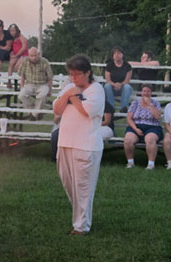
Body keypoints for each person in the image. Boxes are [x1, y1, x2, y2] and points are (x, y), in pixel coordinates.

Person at [53, 54, 105, 235]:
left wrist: (73, 98)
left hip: (86, 146)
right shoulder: (69, 87)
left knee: (83, 188)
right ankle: (81, 217)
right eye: (71, 74)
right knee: (70, 186)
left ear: (88, 73)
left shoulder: (96, 89)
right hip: (65, 143)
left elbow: (86, 111)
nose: (73, 78)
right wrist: (68, 93)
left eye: (77, 74)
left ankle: (81, 227)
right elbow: (56, 110)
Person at [124, 85, 163, 170]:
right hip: (136, 126)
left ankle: (151, 164)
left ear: (151, 93)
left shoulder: (155, 103)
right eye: (144, 91)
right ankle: (130, 163)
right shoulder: (135, 103)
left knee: (150, 139)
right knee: (128, 140)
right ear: (141, 92)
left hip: (152, 127)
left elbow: (157, 116)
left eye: (148, 91)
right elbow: (129, 118)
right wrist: (135, 129)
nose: (146, 93)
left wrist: (150, 104)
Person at [18, 47, 53, 121]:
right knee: (21, 95)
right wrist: (22, 87)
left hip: (42, 84)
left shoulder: (44, 61)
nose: (33, 57)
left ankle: (33, 115)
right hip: (29, 84)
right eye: (31, 55)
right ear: (28, 55)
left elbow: (50, 77)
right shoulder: (25, 61)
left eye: (35, 55)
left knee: (43, 94)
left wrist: (50, 90)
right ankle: (36, 111)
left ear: (38, 54)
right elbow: (22, 76)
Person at [104, 46, 133, 113]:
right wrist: (115, 84)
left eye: (119, 53)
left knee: (127, 87)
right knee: (107, 86)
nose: (117, 55)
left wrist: (120, 84)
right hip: (112, 88)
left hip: (123, 88)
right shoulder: (109, 65)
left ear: (122, 55)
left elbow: (127, 80)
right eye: (115, 53)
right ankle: (111, 107)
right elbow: (108, 79)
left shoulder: (127, 66)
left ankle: (123, 108)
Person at [7, 24, 29, 88]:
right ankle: (9, 81)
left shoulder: (22, 37)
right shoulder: (12, 38)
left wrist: (17, 55)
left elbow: (24, 48)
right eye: (11, 31)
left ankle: (23, 82)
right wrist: (12, 53)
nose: (12, 32)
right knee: (11, 63)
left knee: (17, 67)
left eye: (13, 31)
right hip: (16, 55)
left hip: (23, 55)